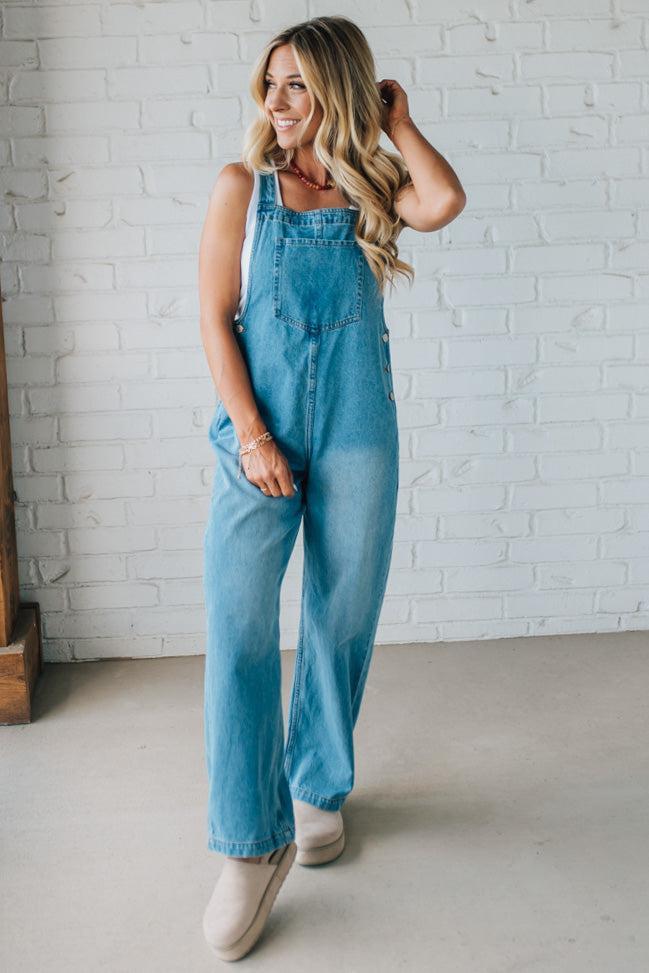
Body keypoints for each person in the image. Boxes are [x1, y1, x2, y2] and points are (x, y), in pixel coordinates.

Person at [198, 14, 466, 962]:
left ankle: (316, 785)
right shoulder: (243, 186)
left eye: (299, 85)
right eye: (269, 83)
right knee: (236, 632)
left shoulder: (368, 185)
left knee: (338, 619)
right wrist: (255, 436)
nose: (275, 103)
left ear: (340, 94)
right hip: (257, 440)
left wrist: (397, 121)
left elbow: (443, 200)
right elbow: (214, 317)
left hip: (357, 431)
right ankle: (248, 841)